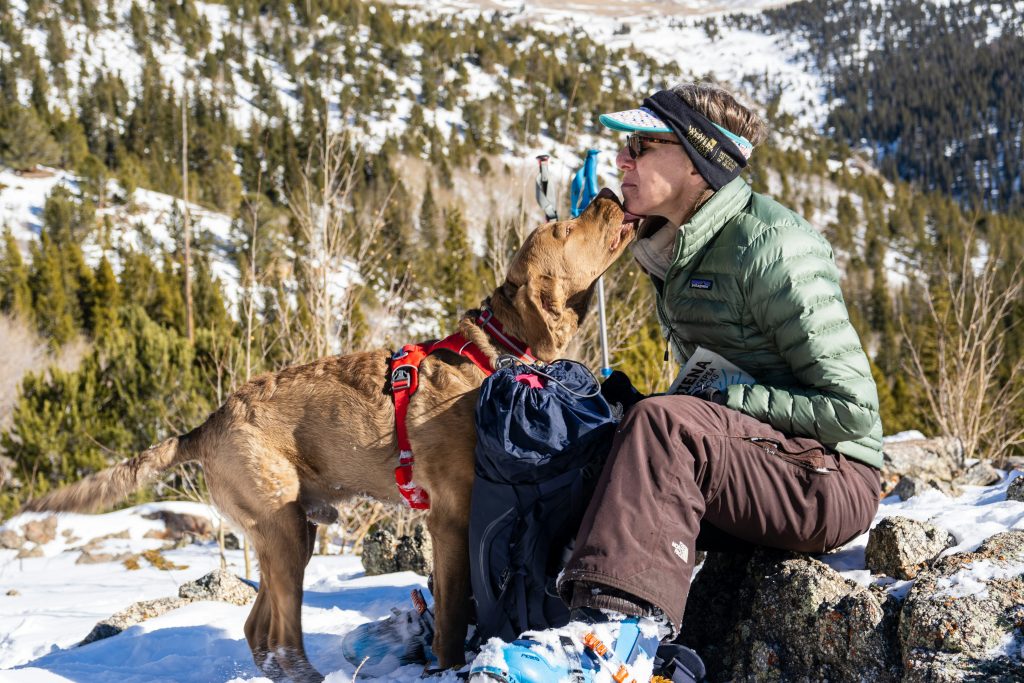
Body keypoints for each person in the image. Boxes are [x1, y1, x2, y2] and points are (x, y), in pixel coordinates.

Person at [470, 82, 883, 682]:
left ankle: (614, 646)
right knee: (575, 426)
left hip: (830, 479)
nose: (623, 160)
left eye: (643, 145)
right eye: (625, 146)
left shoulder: (774, 248)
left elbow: (853, 414)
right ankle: (496, 622)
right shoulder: (680, 246)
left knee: (662, 426)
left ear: (698, 161)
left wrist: (715, 399)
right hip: (760, 463)